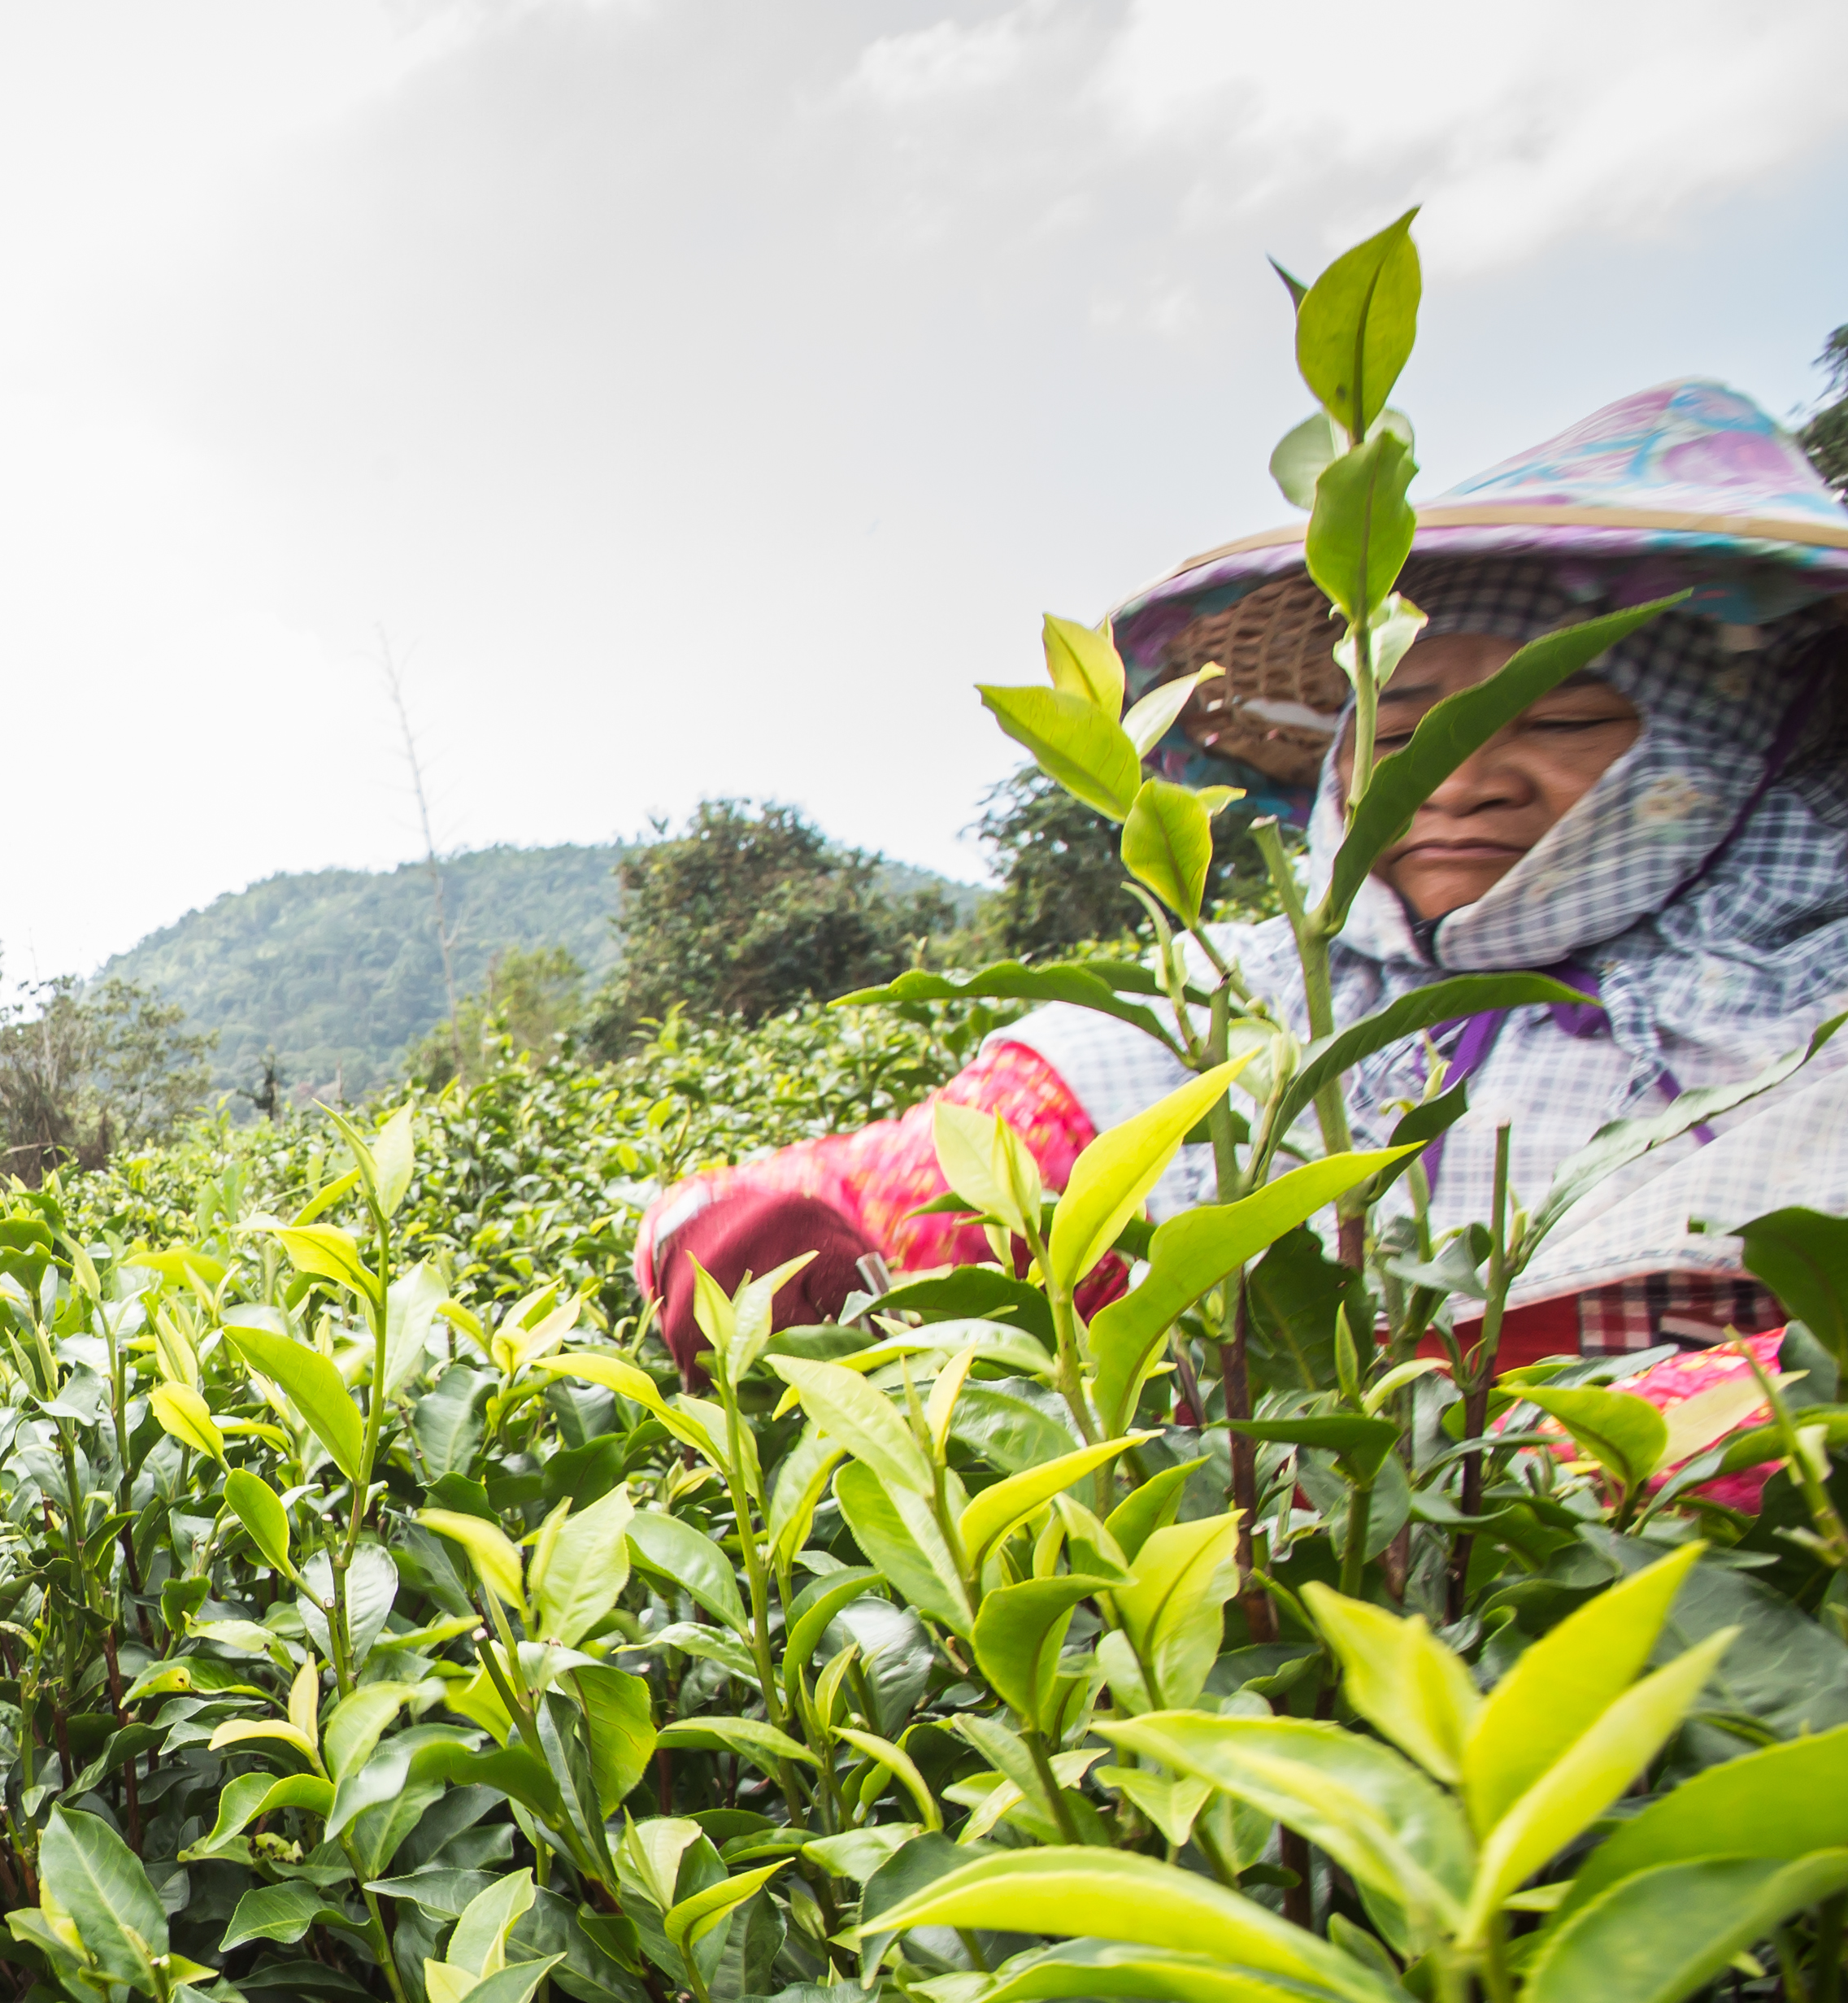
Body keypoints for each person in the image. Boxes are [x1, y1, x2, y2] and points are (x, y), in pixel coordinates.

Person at [637, 381, 1848, 1409]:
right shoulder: (1251, 1000)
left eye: (1567, 717)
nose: (1460, 780)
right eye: (1410, 729)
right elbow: (966, 1165)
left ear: (1730, 741)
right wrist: (779, 1224)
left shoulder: (1805, 1034)